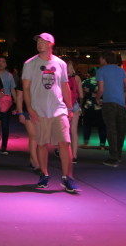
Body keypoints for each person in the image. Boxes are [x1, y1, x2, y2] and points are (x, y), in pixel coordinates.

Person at [22, 33, 79, 193]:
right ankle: (44, 174)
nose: (39, 43)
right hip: (39, 110)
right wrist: (30, 109)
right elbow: (25, 88)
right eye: (38, 41)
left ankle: (68, 177)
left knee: (65, 143)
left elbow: (65, 87)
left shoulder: (60, 64)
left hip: (59, 109)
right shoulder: (30, 64)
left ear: (51, 44)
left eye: (43, 41)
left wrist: (69, 108)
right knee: (41, 144)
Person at [96, 51, 126, 167]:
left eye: (101, 58)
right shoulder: (121, 70)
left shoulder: (101, 71)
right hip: (121, 103)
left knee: (111, 129)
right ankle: (118, 155)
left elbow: (101, 89)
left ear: (105, 59)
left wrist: (97, 98)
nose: (99, 60)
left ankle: (113, 157)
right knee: (121, 129)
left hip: (108, 103)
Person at [0, 56, 17, 155]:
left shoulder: (9, 76)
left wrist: (16, 104)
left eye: (3, 61)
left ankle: (4, 146)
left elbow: (12, 90)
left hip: (6, 104)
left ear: (6, 64)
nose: (1, 63)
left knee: (5, 125)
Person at [81, 67, 106, 149]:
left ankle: (86, 142)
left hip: (89, 105)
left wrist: (81, 106)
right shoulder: (103, 82)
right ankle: (102, 144)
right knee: (102, 126)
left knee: (87, 125)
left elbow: (82, 95)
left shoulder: (85, 82)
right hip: (101, 105)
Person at [66, 60, 83, 163]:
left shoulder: (61, 77)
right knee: (74, 131)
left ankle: (65, 152)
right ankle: (74, 156)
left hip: (64, 106)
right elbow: (81, 95)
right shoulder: (77, 78)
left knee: (64, 132)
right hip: (75, 105)